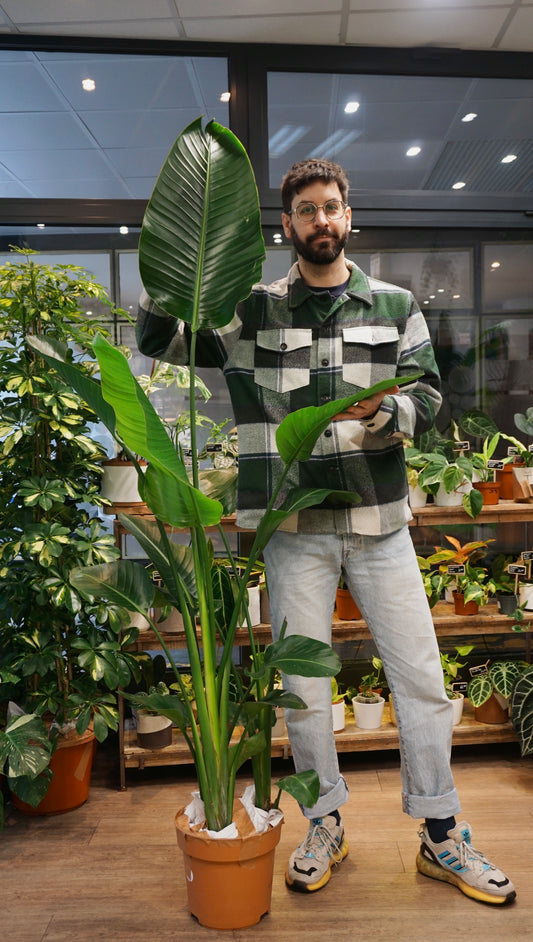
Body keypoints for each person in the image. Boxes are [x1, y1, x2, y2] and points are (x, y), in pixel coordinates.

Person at [136, 157, 516, 906]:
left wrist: (387, 413)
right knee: (304, 692)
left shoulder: (395, 303)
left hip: (379, 522)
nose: (320, 220)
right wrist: (172, 263)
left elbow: (427, 394)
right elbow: (164, 342)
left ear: (349, 216)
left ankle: (441, 834)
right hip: (294, 529)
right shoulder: (252, 310)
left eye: (331, 207)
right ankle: (323, 821)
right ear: (287, 225)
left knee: (422, 684)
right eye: (305, 209)